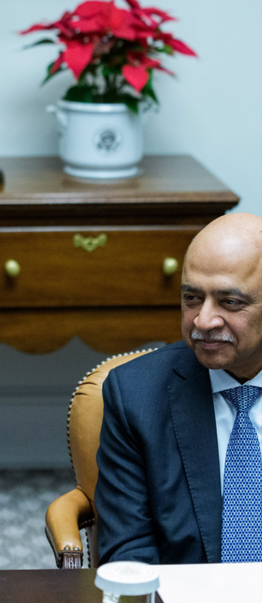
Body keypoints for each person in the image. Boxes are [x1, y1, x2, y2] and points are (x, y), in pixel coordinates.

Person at [96, 212, 262, 564]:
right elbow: (129, 553)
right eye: (191, 298)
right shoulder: (136, 396)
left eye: (230, 302)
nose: (203, 320)